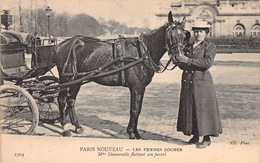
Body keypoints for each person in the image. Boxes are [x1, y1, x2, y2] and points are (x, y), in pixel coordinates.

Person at [175, 20, 222, 148]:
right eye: (196, 31)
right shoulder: (188, 46)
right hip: (188, 82)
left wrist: (188, 60)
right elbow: (182, 64)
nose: (198, 34)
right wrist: (178, 61)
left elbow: (207, 63)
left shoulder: (209, 46)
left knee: (204, 109)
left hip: (202, 83)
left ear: (206, 33)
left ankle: (206, 138)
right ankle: (195, 135)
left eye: (201, 31)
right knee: (190, 108)